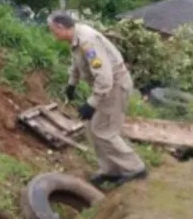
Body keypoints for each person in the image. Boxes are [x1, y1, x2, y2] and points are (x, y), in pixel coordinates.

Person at [47, 11, 147, 189]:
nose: (52, 34)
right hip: (105, 87)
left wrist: (92, 103)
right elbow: (76, 63)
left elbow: (105, 78)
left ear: (61, 28)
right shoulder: (77, 38)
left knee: (104, 130)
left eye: (53, 30)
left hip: (114, 87)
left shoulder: (88, 41)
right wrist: (72, 84)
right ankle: (111, 170)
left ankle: (135, 169)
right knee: (91, 127)